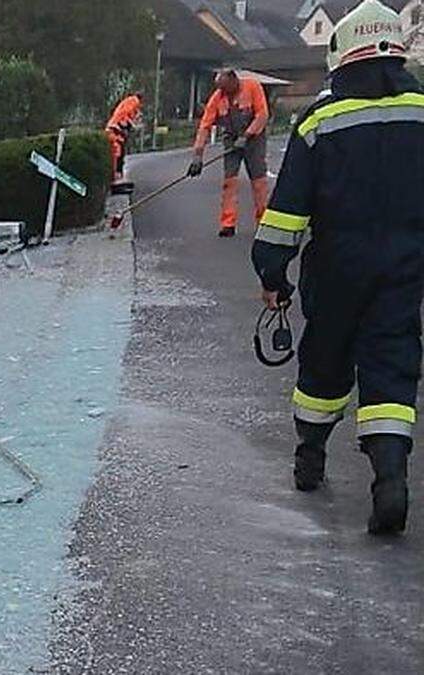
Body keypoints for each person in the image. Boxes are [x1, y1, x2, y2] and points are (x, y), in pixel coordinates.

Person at [251, 0, 424, 535]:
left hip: (337, 267)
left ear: (341, 54)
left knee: (324, 362)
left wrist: (272, 271)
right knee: (392, 364)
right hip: (405, 265)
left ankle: (310, 457)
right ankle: (390, 480)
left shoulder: (321, 119)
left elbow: (287, 211)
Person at [187, 70, 270, 237]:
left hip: (254, 139)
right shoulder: (218, 97)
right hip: (231, 139)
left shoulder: (252, 87)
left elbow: (262, 115)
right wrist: (197, 156)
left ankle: (264, 222)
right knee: (229, 181)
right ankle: (228, 223)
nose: (223, 92)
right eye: (220, 88)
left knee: (258, 181)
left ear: (234, 80)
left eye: (225, 88)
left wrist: (247, 136)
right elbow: (205, 126)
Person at [105, 93, 144, 182]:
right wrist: (131, 124)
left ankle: (117, 174)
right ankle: (116, 176)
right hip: (115, 131)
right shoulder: (133, 102)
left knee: (118, 153)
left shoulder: (127, 103)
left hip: (114, 129)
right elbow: (127, 115)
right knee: (117, 153)